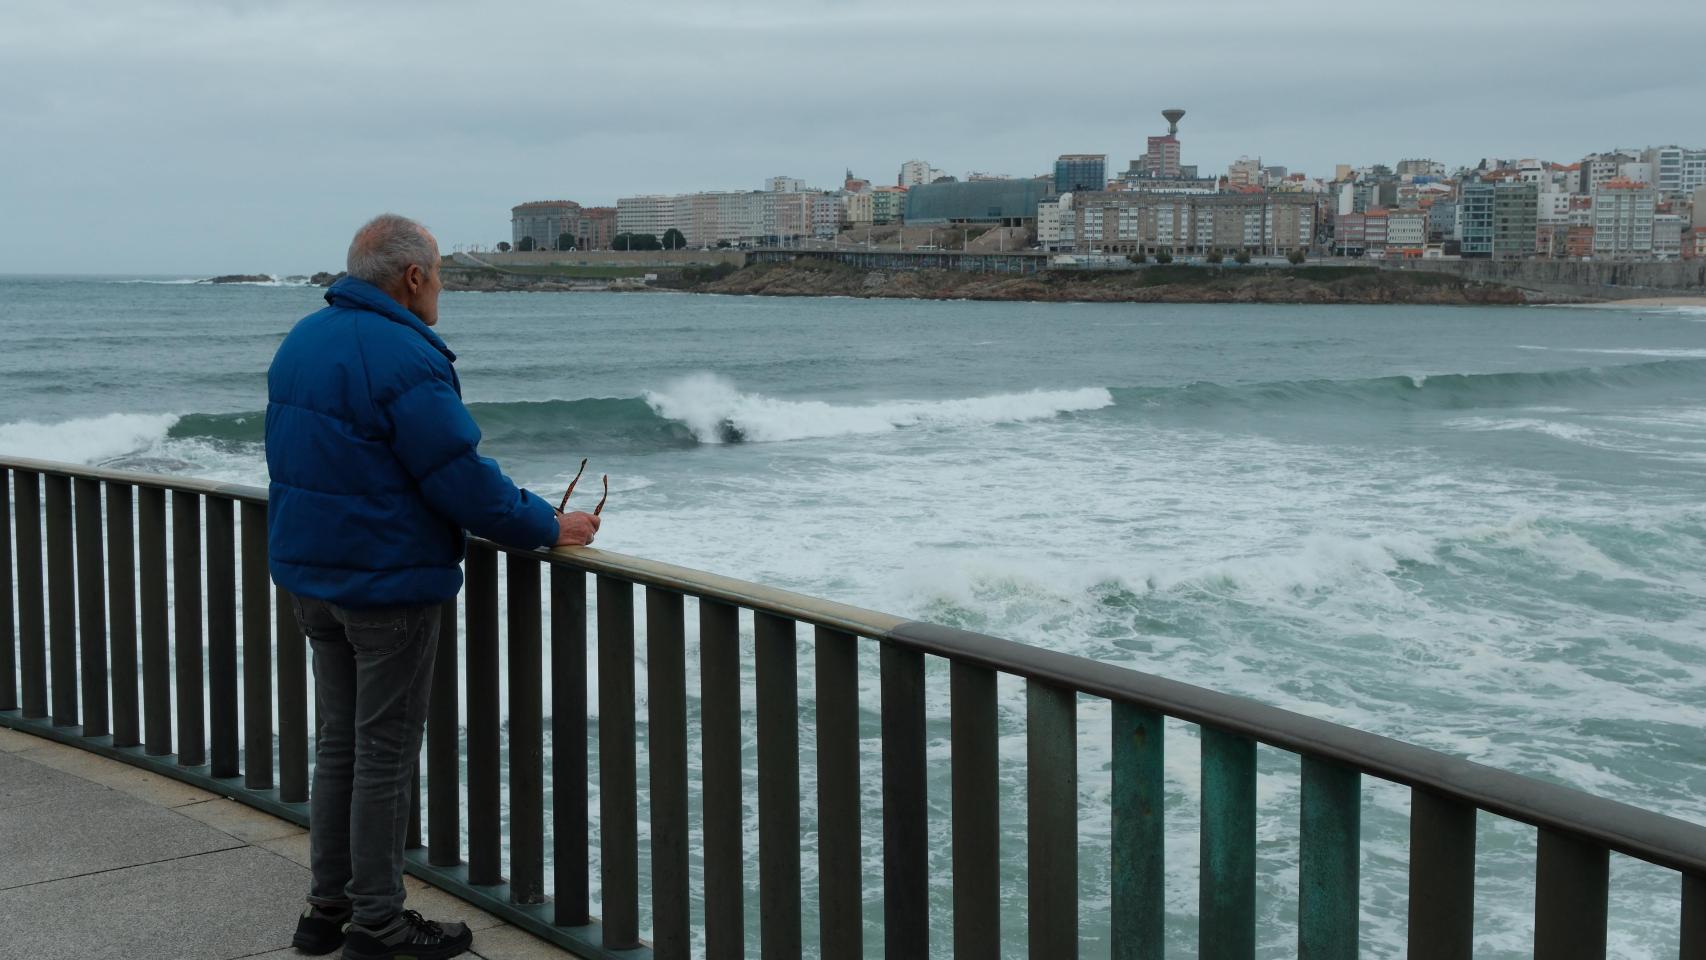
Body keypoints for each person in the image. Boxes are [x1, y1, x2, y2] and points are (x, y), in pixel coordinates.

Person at [266, 214, 599, 960]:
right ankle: (378, 925)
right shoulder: (402, 355)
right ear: (412, 277)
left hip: (311, 577)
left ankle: (326, 912)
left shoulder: (302, 340)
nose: (442, 287)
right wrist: (548, 525)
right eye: (440, 273)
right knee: (382, 753)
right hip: (386, 584)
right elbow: (459, 479)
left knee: (340, 748)